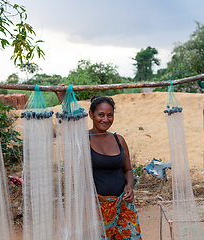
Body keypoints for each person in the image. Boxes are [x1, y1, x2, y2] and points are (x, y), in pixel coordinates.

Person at [55, 90, 142, 240]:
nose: (106, 119)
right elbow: (71, 125)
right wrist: (64, 100)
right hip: (96, 209)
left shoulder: (118, 140)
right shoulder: (82, 139)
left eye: (110, 115)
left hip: (123, 205)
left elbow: (127, 169)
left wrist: (129, 186)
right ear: (91, 115)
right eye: (101, 114)